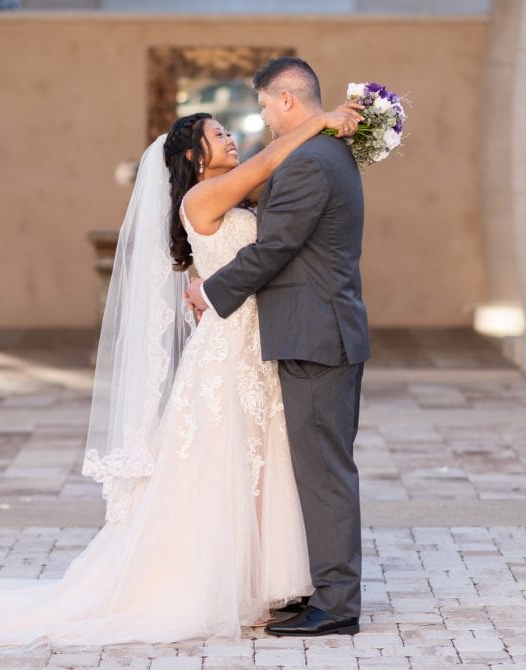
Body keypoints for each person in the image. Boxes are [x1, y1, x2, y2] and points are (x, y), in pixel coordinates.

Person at [0, 97, 362, 647]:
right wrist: (318, 121)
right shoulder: (204, 196)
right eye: (219, 133)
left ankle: (264, 581)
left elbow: (275, 187)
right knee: (221, 466)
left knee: (259, 468)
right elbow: (267, 165)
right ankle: (210, 582)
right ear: (193, 153)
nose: (233, 139)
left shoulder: (233, 187)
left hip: (255, 342)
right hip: (226, 351)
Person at [186, 57, 370, 638]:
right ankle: (323, 590)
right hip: (319, 328)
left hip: (316, 334)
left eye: (263, 106)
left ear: (287, 100)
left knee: (324, 472)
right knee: (317, 468)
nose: (261, 120)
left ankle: (337, 605)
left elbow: (274, 250)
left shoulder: (309, 163)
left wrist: (211, 293)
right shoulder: (324, 154)